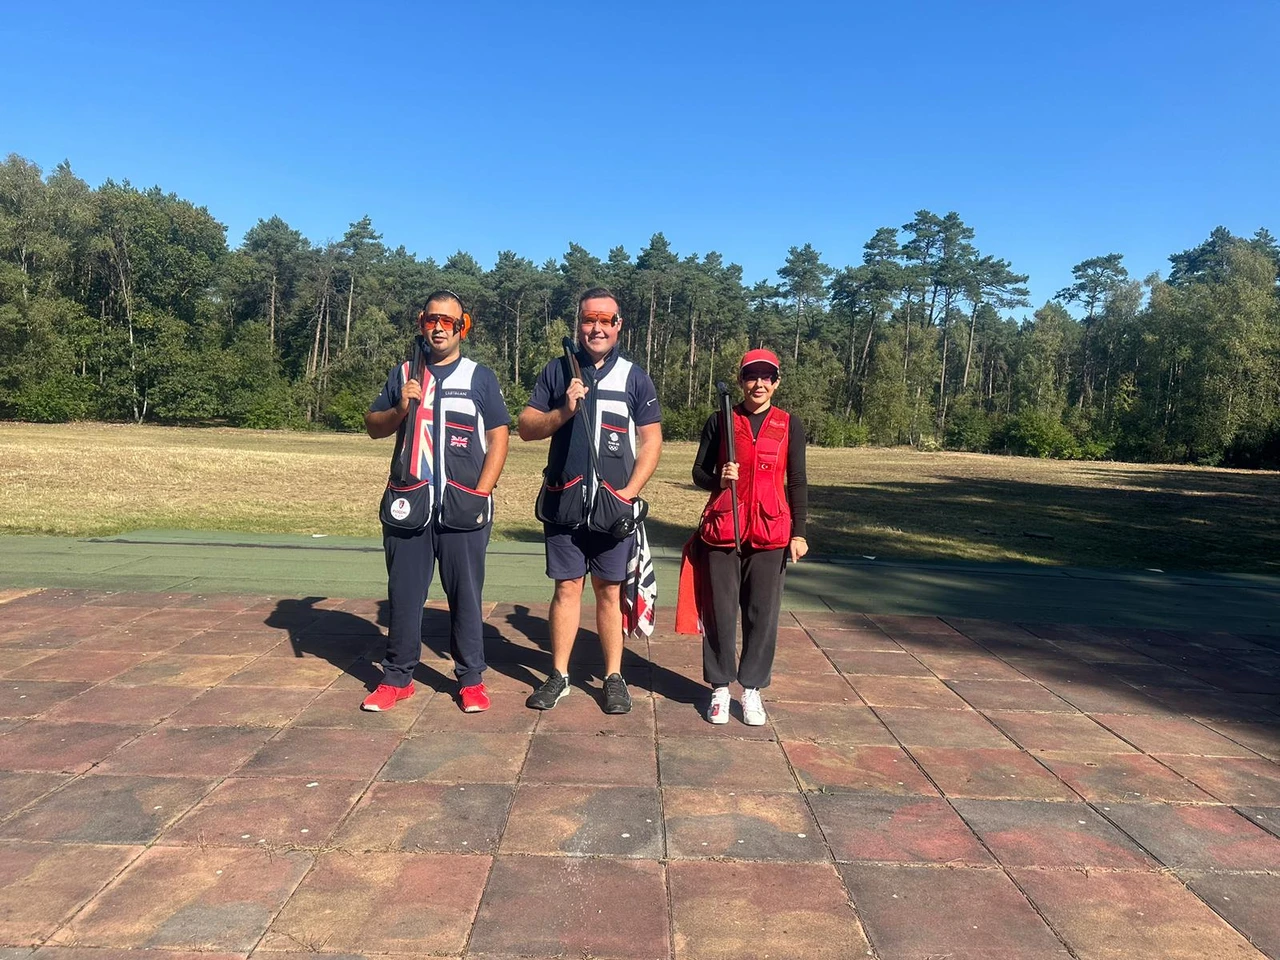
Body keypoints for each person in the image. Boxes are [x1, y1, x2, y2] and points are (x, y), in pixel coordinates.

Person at [361, 290, 510, 713]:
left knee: (466, 596)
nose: (441, 328)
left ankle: (471, 679)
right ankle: (396, 679)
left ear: (464, 326)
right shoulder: (405, 372)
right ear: (421, 322)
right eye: (433, 320)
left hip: (464, 506)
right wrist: (400, 408)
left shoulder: (480, 377)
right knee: (404, 595)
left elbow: (499, 437)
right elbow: (374, 426)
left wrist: (481, 492)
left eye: (451, 321)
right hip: (409, 505)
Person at [517, 287, 663, 714]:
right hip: (563, 501)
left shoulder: (635, 377)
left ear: (618, 326)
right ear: (578, 323)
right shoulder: (558, 371)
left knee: (609, 592)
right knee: (566, 589)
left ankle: (613, 677)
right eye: (588, 319)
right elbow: (525, 426)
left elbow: (651, 440)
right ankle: (559, 675)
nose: (596, 327)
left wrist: (628, 494)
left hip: (612, 510)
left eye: (605, 320)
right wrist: (563, 410)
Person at [686, 348, 808, 725]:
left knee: (761, 615)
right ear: (740, 381)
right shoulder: (719, 420)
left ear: (777, 382)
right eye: (751, 376)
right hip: (724, 529)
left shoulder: (790, 424)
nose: (759, 383)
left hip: (771, 531)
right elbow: (698, 473)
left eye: (767, 377)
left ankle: (751, 689)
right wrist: (720, 478)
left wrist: (799, 533)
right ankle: (720, 688)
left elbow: (798, 481)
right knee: (720, 613)